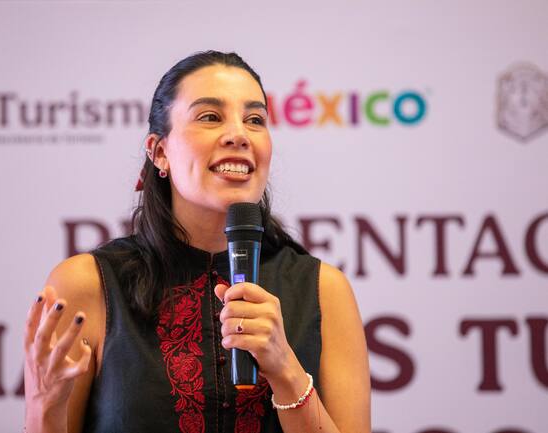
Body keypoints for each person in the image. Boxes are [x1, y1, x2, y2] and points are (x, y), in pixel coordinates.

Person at [23, 51, 371, 433]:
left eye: (255, 120)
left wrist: (285, 369)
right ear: (159, 152)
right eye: (210, 117)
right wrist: (43, 407)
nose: (239, 135)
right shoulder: (86, 286)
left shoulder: (323, 290)